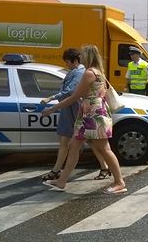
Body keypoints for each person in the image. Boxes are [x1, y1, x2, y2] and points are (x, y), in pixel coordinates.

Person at [41, 45, 126, 194]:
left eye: (82, 56)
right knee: (74, 145)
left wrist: (52, 109)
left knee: (104, 149)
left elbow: (73, 97)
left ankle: (120, 182)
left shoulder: (89, 73)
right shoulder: (99, 72)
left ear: (87, 57)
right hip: (90, 113)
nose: (80, 58)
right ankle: (62, 181)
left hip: (93, 115)